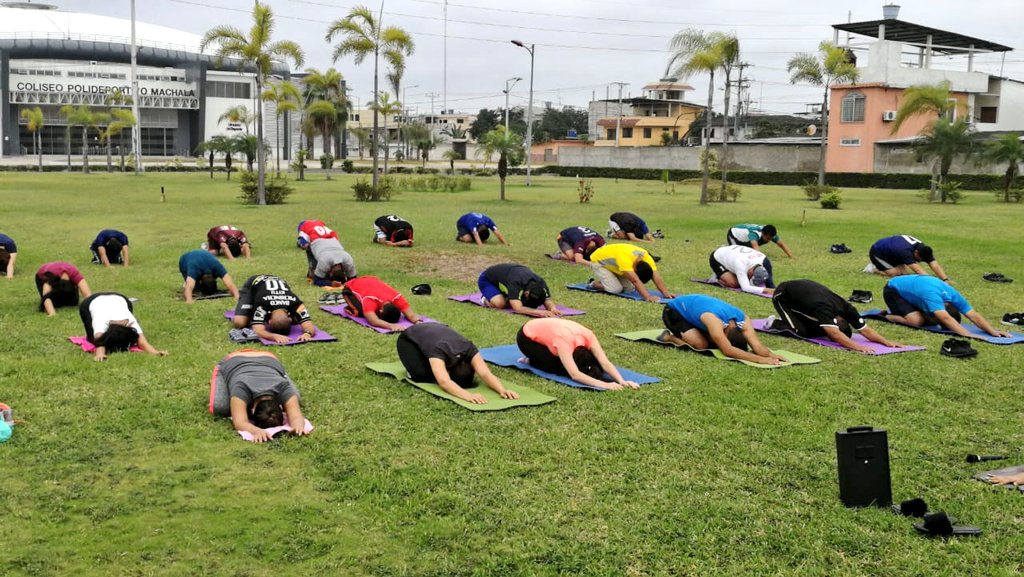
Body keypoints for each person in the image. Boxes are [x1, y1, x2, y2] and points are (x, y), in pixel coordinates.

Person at [397, 322, 519, 405]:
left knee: (434, 370)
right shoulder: (439, 351)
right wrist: (468, 396)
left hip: (434, 333)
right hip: (409, 339)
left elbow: (485, 373)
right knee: (421, 376)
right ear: (449, 371)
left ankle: (428, 362)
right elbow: (444, 382)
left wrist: (502, 390)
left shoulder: (469, 348)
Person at [770, 279, 904, 353]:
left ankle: (799, 320)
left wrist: (886, 342)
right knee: (799, 331)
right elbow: (834, 334)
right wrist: (857, 346)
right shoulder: (824, 309)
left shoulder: (848, 309)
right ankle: (773, 323)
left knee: (817, 327)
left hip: (806, 293)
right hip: (783, 294)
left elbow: (865, 330)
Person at [209, 349, 308, 442]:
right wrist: (255, 431)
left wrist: (298, 427)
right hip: (234, 360)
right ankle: (220, 372)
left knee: (293, 397)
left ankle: (278, 372)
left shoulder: (284, 388)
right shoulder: (241, 388)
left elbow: (296, 417)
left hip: (269, 360)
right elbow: (239, 422)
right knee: (221, 407)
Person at [660, 294, 786, 365]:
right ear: (725, 334)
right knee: (700, 345)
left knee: (712, 340)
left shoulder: (744, 320)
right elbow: (728, 350)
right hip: (674, 311)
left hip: (697, 310)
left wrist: (770, 355)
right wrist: (761, 360)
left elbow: (757, 346)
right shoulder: (714, 320)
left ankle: (701, 332)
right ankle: (669, 337)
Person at [517, 317, 641, 390]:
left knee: (562, 360)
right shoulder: (564, 341)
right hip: (526, 336)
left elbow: (604, 362)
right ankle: (530, 359)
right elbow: (575, 375)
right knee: (557, 367)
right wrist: (606, 385)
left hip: (551, 331)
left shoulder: (589, 336)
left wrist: (622, 381)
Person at [882, 275, 1010, 340]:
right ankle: (888, 315)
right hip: (893, 289)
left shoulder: (953, 296)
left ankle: (912, 310)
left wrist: (992, 331)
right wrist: (968, 335)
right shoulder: (932, 297)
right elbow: (946, 318)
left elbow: (972, 314)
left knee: (925, 318)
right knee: (916, 321)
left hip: (914, 288)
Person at [79, 292, 167, 362]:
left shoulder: (130, 323)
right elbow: (100, 343)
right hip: (90, 302)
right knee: (92, 339)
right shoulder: (100, 324)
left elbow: (143, 343)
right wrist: (99, 354)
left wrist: (155, 352)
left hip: (120, 298)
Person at [232, 274, 319, 343]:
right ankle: (249, 308)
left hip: (277, 283)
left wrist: (307, 334)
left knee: (298, 319)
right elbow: (258, 330)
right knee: (240, 323)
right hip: (254, 284)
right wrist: (274, 336)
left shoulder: (295, 303)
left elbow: (308, 325)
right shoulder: (262, 304)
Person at [587, 243, 675, 302]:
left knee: (629, 289)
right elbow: (635, 280)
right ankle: (592, 283)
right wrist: (648, 297)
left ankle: (609, 280)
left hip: (615, 264)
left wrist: (666, 293)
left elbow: (656, 276)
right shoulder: (625, 259)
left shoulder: (647, 258)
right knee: (615, 290)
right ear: (635, 270)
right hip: (598, 262)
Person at [341, 275, 423, 331]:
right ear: (380, 311)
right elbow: (373, 321)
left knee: (368, 311)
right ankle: (351, 308)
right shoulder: (370, 299)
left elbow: (411, 315)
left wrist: (418, 322)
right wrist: (390, 326)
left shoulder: (397, 297)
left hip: (372, 280)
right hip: (350, 285)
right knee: (361, 312)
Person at [479, 263, 562, 317]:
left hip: (506, 276)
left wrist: (552, 308)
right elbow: (518, 308)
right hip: (487, 279)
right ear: (526, 293)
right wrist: (540, 312)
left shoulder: (541, 283)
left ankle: (506, 296)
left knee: (512, 300)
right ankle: (485, 298)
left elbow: (547, 299)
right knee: (500, 304)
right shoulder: (515, 282)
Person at [868, 235, 949, 280]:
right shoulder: (905, 252)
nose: (919, 262)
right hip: (878, 252)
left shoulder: (923, 249)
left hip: (893, 252)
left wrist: (945, 279)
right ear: (916, 253)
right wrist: (932, 281)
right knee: (894, 274)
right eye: (919, 260)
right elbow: (918, 270)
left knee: (904, 274)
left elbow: (934, 264)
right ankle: (873, 268)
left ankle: (888, 266)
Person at [709, 244, 774, 296]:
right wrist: (766, 290)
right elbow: (745, 288)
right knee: (733, 283)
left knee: (740, 278)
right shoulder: (741, 264)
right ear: (751, 272)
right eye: (750, 277)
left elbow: (770, 282)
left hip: (734, 255)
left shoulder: (765, 261)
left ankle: (730, 272)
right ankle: (717, 276)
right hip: (717, 256)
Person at [727, 224, 794, 259]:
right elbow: (755, 247)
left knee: (746, 251)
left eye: (771, 238)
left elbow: (781, 244)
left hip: (746, 239)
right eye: (768, 238)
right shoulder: (754, 234)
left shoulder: (770, 232)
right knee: (736, 253)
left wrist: (791, 256)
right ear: (762, 233)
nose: (769, 240)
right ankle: (725, 248)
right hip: (734, 234)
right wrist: (761, 259)